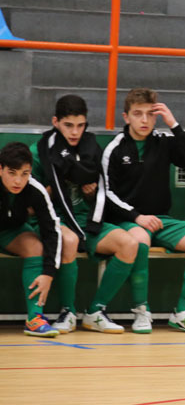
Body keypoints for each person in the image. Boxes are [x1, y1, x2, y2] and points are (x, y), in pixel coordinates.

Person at [102, 88, 185, 333]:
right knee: (140, 239)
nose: (144, 120)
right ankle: (141, 311)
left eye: (150, 114)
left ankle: (183, 312)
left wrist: (173, 124)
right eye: (138, 114)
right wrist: (136, 217)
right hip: (127, 220)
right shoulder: (115, 149)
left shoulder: (164, 142)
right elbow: (107, 195)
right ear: (126, 117)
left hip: (161, 219)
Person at [31, 95, 140, 334]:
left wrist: (90, 194)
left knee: (130, 244)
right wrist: (52, 188)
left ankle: (95, 312)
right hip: (53, 220)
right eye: (69, 125)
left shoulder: (90, 147)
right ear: (56, 122)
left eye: (80, 125)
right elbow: (29, 204)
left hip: (85, 219)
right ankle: (67, 311)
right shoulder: (39, 152)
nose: (75, 132)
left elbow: (100, 193)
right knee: (68, 240)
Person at [0, 142, 63, 337]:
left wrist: (48, 273)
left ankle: (34, 319)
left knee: (36, 247)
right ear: (0, 169)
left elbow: (52, 230)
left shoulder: (35, 190)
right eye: (12, 173)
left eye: (24, 173)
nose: (18, 180)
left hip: (12, 232)